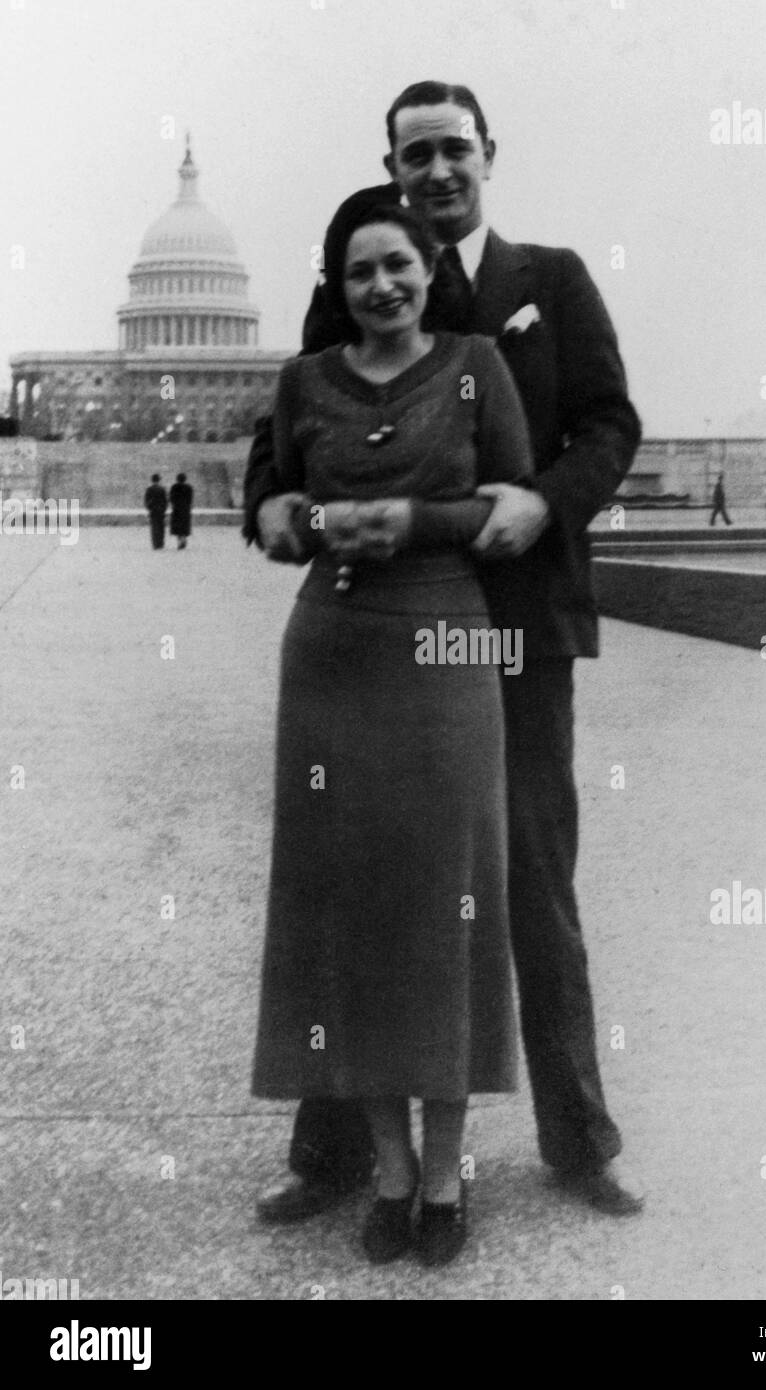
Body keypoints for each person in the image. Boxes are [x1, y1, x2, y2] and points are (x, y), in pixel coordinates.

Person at [244, 80, 644, 1222]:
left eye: (453, 150)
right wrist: (268, 503)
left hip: (520, 627)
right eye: (414, 153)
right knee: (356, 885)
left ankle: (577, 1139)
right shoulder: (364, 277)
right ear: (392, 163)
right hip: (384, 629)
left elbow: (611, 421)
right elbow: (293, 427)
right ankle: (333, 1154)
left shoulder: (549, 280)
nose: (435, 171)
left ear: (488, 155)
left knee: (531, 881)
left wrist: (543, 501)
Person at [251, 201, 534, 1265]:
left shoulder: (472, 366)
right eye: (360, 270)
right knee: (350, 903)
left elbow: (506, 501)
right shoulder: (302, 380)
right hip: (333, 643)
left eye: (399, 265)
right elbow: (277, 498)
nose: (382, 286)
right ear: (338, 281)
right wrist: (300, 521)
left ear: (428, 270)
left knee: (447, 896)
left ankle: (450, 1170)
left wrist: (417, 522)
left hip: (447, 636)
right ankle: (389, 1169)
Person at [168, 472, 194, 548]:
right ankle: (184, 538)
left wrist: (174, 504)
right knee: (184, 525)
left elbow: (171, 498)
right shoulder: (189, 487)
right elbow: (190, 499)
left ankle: (180, 540)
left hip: (176, 509)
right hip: (185, 509)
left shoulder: (174, 487)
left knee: (178, 526)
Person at [144, 473, 167, 549]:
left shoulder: (149, 489)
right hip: (161, 511)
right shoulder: (162, 489)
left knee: (154, 527)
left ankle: (155, 543)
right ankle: (161, 543)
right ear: (159, 480)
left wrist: (149, 508)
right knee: (161, 527)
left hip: (153, 510)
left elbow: (146, 501)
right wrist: (164, 509)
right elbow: (165, 501)